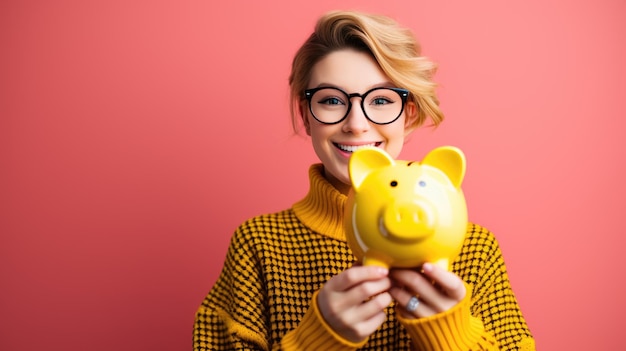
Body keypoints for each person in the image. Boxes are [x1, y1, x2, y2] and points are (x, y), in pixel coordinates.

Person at [193, 10, 535, 351]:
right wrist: (319, 339)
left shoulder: (475, 251)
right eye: (330, 100)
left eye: (382, 100)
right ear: (305, 115)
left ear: (409, 114)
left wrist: (451, 337)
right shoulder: (258, 246)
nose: (356, 124)